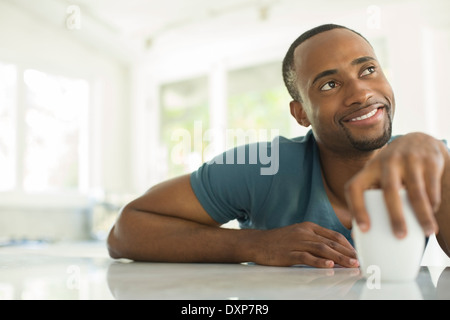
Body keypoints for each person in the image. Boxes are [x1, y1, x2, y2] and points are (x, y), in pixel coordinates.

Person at [107, 24, 450, 268]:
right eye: (330, 84)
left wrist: (444, 163)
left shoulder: (431, 160)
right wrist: (257, 245)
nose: (360, 93)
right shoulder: (263, 165)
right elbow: (126, 230)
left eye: (368, 70)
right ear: (301, 113)